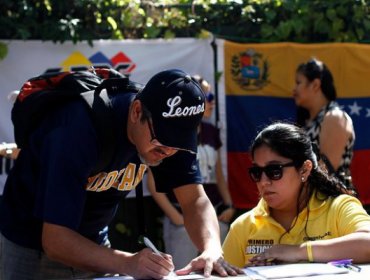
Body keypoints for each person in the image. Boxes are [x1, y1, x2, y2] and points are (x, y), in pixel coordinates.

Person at [0, 69, 243, 279]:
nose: (168, 152)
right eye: (161, 142)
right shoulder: (77, 130)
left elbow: (194, 200)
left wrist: (211, 249)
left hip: (94, 241)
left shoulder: (169, 129)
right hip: (30, 246)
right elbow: (55, 240)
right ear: (136, 111)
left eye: (177, 144)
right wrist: (128, 263)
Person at [223, 122, 370, 268]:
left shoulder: (339, 208)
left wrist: (298, 251)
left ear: (305, 170)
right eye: (256, 172)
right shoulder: (243, 227)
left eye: (274, 171)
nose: (263, 182)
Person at [147, 75, 235, 269]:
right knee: (181, 271)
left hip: (213, 215)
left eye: (211, 96)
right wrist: (175, 217)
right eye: (205, 96)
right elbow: (152, 181)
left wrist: (228, 205)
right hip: (179, 217)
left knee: (216, 269)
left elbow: (217, 174)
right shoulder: (166, 131)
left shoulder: (211, 131)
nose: (210, 101)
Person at [293, 58, 356, 191]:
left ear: (315, 85)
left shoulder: (335, 118)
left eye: (298, 83)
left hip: (333, 204)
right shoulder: (308, 121)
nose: (294, 89)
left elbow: (325, 172)